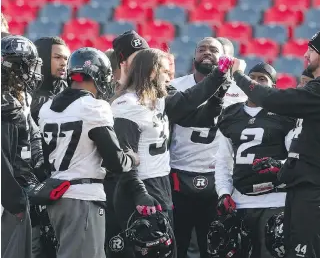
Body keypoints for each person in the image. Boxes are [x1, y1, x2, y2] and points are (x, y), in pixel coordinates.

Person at [231, 29, 320, 258]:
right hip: (308, 185)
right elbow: (313, 142)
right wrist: (284, 165)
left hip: (318, 190)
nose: (305, 55)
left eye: (311, 50)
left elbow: (274, 99)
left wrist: (238, 76)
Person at [110, 48, 233, 258]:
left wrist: (217, 94)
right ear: (151, 72)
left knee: (167, 251)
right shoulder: (126, 104)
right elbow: (124, 156)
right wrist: (140, 193)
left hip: (161, 184)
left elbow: (197, 113)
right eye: (165, 72)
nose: (169, 78)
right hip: (139, 185)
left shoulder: (157, 101)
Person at [38, 47, 150, 258]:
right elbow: (115, 162)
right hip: (82, 197)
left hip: (56, 196)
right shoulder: (94, 107)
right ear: (98, 75)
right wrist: (132, 159)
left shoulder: (47, 108)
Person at [169, 37, 247, 258]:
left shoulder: (238, 91)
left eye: (214, 50)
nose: (206, 52)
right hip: (179, 173)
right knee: (177, 245)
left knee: (215, 247)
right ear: (193, 56)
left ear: (225, 57)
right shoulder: (175, 87)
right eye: (201, 48)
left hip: (218, 177)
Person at [215, 62, 295, 258]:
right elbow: (223, 160)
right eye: (252, 78)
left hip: (276, 199)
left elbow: (296, 159)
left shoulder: (285, 115)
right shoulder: (230, 114)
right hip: (241, 201)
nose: (256, 82)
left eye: (262, 79)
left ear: (273, 87)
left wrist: (278, 166)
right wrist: (224, 192)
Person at [1, 35, 43, 258]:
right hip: (7, 195)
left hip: (19, 184)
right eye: (31, 64)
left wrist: (40, 167)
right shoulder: (5, 104)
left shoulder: (22, 97)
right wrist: (15, 197)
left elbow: (32, 136)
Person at [31, 37, 70, 125]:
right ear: (42, 58)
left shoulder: (70, 90)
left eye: (65, 58)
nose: (63, 63)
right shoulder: (24, 92)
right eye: (57, 57)